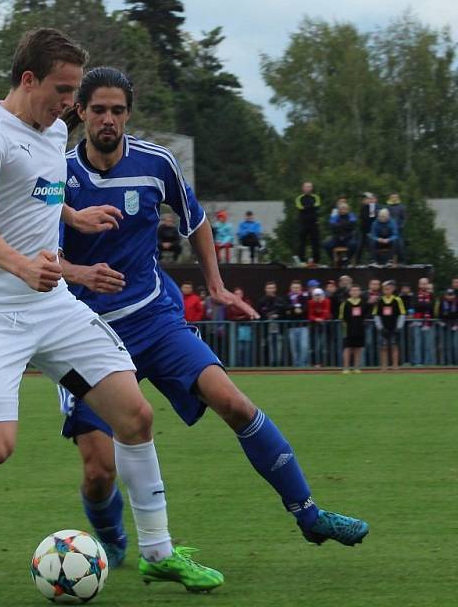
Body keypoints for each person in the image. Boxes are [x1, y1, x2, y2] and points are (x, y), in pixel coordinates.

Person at [0, 31, 220, 591]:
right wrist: (23, 266)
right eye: (65, 90)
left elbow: (40, 194)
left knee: (135, 417)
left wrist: (74, 219)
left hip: (53, 310)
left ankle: (158, 552)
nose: (71, 105)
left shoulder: (53, 128)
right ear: (29, 80)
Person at [54, 66, 367, 576]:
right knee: (98, 470)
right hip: (85, 333)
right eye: (98, 110)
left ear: (128, 114)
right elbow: (41, 254)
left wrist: (218, 286)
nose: (108, 119)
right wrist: (79, 271)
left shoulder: (157, 164)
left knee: (234, 402)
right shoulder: (58, 176)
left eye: (117, 110)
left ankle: (309, 515)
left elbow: (196, 220)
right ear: (81, 112)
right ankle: (110, 540)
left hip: (156, 318)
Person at [373, 280, 406, 370]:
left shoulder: (397, 300)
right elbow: (376, 315)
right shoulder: (379, 300)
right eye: (385, 289)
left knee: (394, 345)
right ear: (383, 290)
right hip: (384, 327)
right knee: (383, 347)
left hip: (394, 326)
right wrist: (380, 327)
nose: (387, 291)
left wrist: (398, 327)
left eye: (389, 289)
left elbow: (402, 314)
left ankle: (395, 365)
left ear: (392, 290)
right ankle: (384, 366)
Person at [339, 285, 368, 373]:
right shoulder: (345, 303)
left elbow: (365, 316)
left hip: (360, 329)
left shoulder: (363, 303)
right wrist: (345, 329)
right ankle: (346, 368)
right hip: (348, 329)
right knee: (348, 348)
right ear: (350, 292)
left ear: (360, 292)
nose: (355, 292)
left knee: (358, 348)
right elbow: (342, 317)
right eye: (353, 290)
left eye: (357, 290)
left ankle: (356, 367)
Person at [257, 281, 285, 367]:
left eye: (272, 288)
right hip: (266, 330)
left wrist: (278, 315)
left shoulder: (280, 300)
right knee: (268, 348)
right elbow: (259, 314)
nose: (271, 290)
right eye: (269, 288)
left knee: (279, 347)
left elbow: (284, 312)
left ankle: (279, 365)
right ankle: (269, 365)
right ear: (265, 289)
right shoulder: (261, 301)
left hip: (278, 329)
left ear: (275, 289)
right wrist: (267, 316)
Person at [295, 182, 321, 264]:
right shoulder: (299, 198)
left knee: (315, 242)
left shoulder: (316, 197)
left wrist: (307, 207)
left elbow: (317, 205)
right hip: (303, 223)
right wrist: (310, 207)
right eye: (306, 187)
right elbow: (300, 207)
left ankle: (316, 260)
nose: (308, 188)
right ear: (303, 188)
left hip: (314, 222)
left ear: (312, 188)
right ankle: (302, 260)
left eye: (309, 187)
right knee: (302, 242)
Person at [286, 280, 310, 367]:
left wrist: (301, 310)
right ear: (291, 288)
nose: (295, 289)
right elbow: (286, 308)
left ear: (300, 288)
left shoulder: (305, 297)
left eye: (297, 287)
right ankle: (296, 366)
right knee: (294, 349)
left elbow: (306, 308)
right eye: (294, 287)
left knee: (304, 347)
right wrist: (293, 308)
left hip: (303, 326)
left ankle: (302, 365)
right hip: (292, 327)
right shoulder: (287, 297)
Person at [307, 288, 332, 368]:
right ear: (313, 296)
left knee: (324, 346)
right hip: (314, 327)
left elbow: (327, 312)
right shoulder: (310, 302)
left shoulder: (326, 301)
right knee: (315, 346)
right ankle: (315, 363)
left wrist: (321, 318)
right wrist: (316, 319)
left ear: (322, 295)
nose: (317, 297)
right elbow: (310, 315)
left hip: (324, 327)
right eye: (316, 295)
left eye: (319, 295)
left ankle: (325, 363)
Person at [436, 288, 458, 364]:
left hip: (455, 326)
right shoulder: (442, 302)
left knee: (455, 345)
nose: (450, 297)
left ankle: (456, 362)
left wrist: (456, 324)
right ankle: (447, 362)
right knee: (445, 345)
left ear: (454, 295)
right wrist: (441, 322)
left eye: (451, 295)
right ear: (445, 295)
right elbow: (438, 314)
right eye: (448, 295)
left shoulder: (457, 302)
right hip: (444, 326)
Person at [354, 193, 378, 264]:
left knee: (371, 245)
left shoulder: (373, 208)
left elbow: (372, 219)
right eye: (368, 199)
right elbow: (363, 218)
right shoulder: (363, 207)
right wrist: (365, 205)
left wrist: (372, 206)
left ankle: (373, 261)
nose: (369, 200)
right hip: (363, 231)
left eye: (371, 199)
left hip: (371, 231)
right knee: (359, 246)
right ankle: (356, 262)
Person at [386, 193, 406, 262]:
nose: (394, 198)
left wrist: (401, 226)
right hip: (389, 230)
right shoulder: (387, 207)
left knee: (400, 245)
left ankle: (401, 260)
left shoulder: (402, 207)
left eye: (395, 197)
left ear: (398, 198)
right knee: (390, 244)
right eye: (392, 197)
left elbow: (404, 218)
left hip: (398, 230)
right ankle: (389, 259)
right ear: (390, 198)